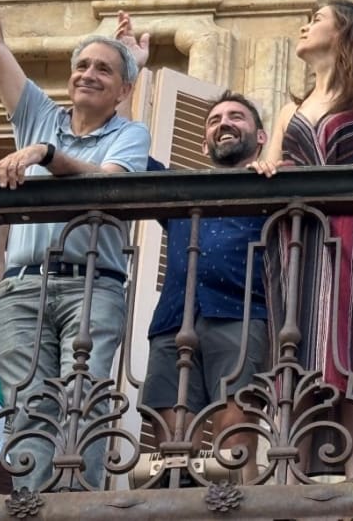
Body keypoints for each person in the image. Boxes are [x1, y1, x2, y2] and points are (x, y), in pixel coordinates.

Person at [0, 0, 151, 490]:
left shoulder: (130, 133)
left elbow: (114, 184)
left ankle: (82, 506)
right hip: (21, 288)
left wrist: (49, 156)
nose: (86, 74)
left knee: (87, 405)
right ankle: (32, 506)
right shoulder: (36, 115)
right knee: (27, 409)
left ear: (123, 89)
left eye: (102, 69)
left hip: (92, 282)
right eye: (80, 66)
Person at [250, 0, 353, 478]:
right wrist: (265, 169)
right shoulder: (289, 109)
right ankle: (291, 475)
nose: (305, 25)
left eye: (318, 19)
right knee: (294, 351)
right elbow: (274, 170)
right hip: (295, 243)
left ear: (347, 33)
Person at [141, 91, 270, 484]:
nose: (224, 123)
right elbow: (128, 155)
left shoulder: (273, 183)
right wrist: (131, 69)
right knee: (174, 448)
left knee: (235, 441)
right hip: (173, 320)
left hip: (240, 313)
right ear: (204, 143)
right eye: (214, 120)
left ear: (261, 137)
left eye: (236, 117)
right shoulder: (182, 187)